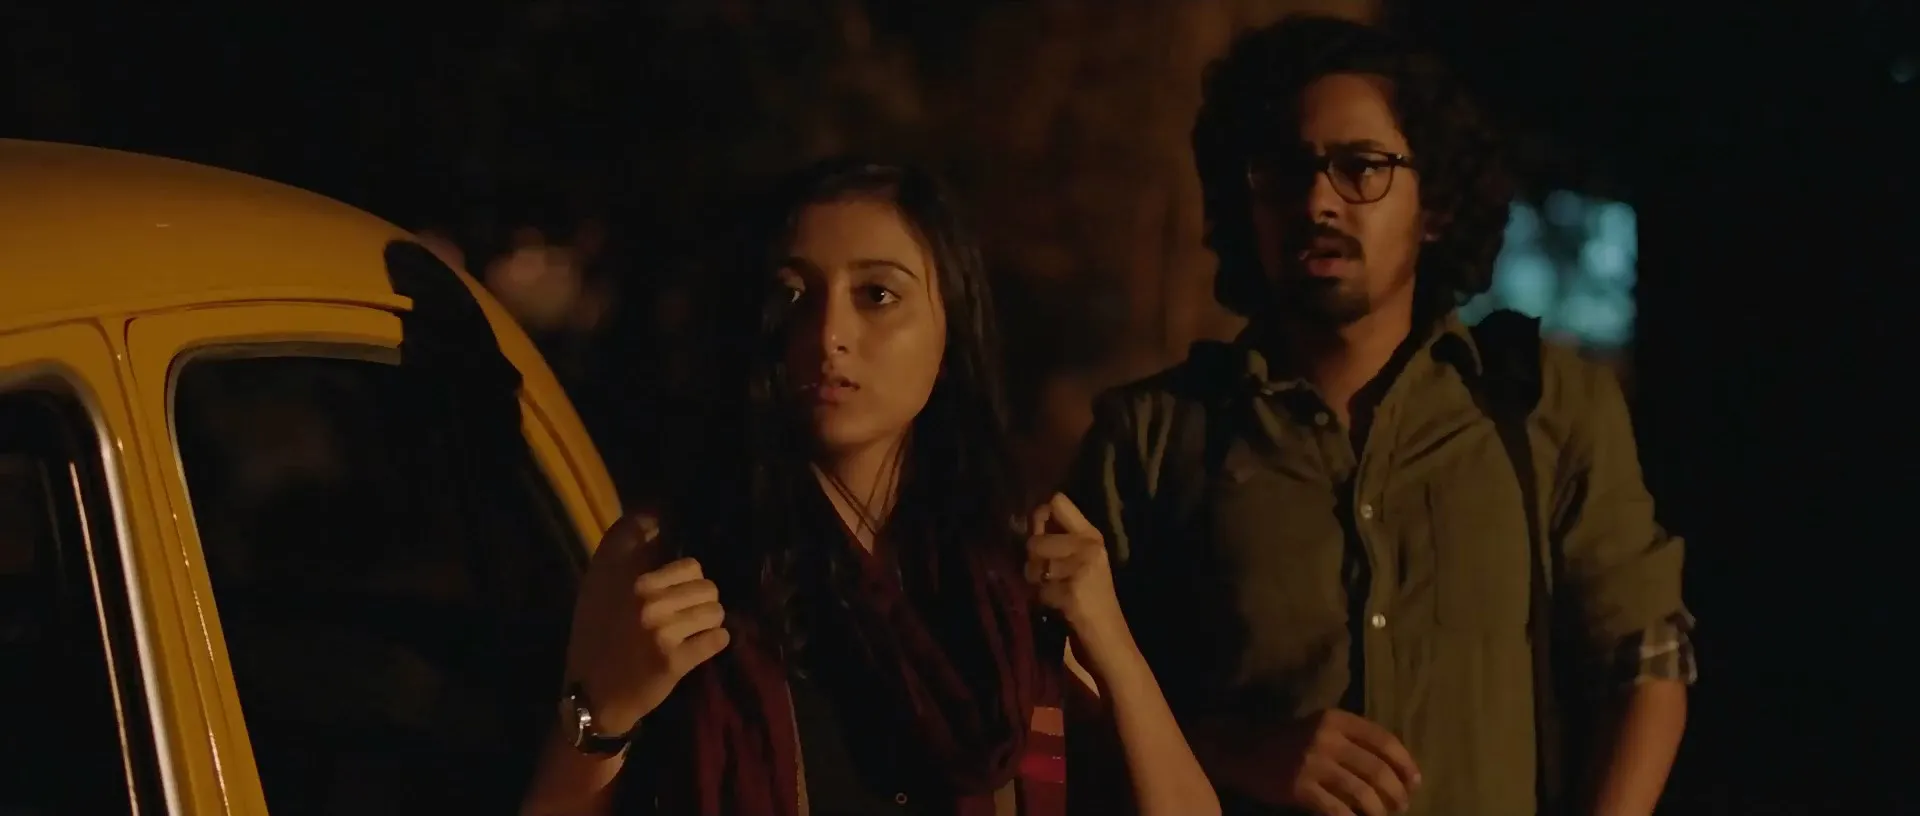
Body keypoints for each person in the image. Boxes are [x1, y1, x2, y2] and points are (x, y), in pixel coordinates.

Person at [1062, 16, 1694, 816]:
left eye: (1362, 168)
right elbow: (1065, 696)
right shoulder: (1154, 437)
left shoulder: (1542, 407)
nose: (1317, 201)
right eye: (1286, 171)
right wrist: (1238, 751)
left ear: (1435, 205)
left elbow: (1645, 662)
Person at [521, 158, 1218, 816]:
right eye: (793, 295)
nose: (829, 333)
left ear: (949, 334)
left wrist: (1111, 642)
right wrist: (605, 711)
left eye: (877, 295)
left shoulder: (1009, 579)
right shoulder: (665, 560)